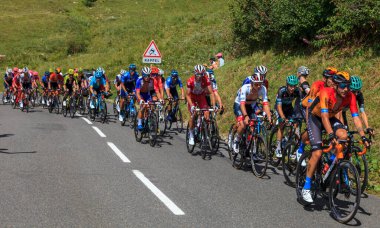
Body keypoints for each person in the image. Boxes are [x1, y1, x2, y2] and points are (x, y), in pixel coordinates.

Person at [301, 71, 370, 203]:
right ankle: (306, 186)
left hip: (330, 118)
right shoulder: (326, 92)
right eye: (343, 85)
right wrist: (331, 134)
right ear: (336, 85)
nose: (346, 89)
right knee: (317, 152)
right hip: (315, 118)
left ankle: (330, 162)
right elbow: (324, 117)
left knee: (344, 136)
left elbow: (356, 118)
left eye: (348, 86)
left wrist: (363, 136)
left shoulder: (350, 96)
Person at [296, 67, 338, 161]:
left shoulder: (335, 89)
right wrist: (308, 124)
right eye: (331, 79)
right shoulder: (317, 85)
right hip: (306, 107)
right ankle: (301, 148)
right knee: (311, 130)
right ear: (324, 79)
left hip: (321, 111)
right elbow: (309, 106)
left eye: (335, 78)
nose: (334, 81)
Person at [232, 73, 271, 153]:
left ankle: (250, 145)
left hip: (250, 105)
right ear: (252, 83)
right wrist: (246, 116)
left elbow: (265, 104)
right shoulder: (245, 88)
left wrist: (269, 116)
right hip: (239, 104)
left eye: (260, 84)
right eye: (256, 84)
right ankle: (236, 140)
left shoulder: (263, 88)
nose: (259, 86)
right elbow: (242, 105)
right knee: (243, 124)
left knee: (253, 125)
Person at [186, 64, 216, 145]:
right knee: (193, 114)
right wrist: (192, 106)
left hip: (201, 97)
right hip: (192, 97)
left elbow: (211, 93)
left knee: (206, 113)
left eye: (201, 75)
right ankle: (191, 134)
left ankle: (203, 131)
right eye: (197, 75)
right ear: (195, 74)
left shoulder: (206, 79)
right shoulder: (190, 81)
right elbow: (187, 95)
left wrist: (213, 105)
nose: (199, 76)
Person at [274, 75, 302, 157]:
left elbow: (301, 104)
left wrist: (302, 116)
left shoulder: (298, 91)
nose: (292, 88)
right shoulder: (281, 91)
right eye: (290, 86)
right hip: (279, 107)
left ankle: (289, 144)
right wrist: (283, 117)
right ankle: (278, 147)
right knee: (281, 125)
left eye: (294, 86)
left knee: (295, 125)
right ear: (287, 84)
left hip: (289, 107)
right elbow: (279, 106)